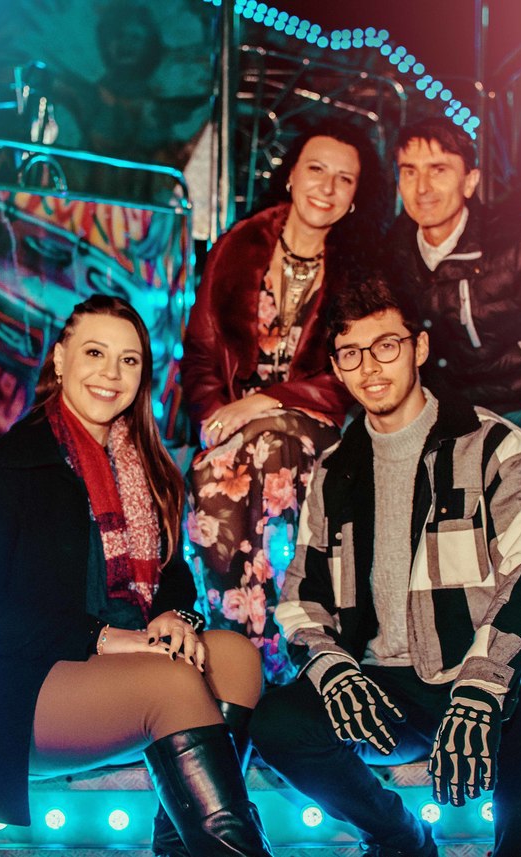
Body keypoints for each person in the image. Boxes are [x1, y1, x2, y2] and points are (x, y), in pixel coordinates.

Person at [0, 295, 273, 857]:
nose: (112, 374)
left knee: (237, 659)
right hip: (20, 686)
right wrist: (104, 638)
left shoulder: (148, 467)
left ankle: (180, 847)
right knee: (171, 680)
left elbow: (174, 577)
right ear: (60, 359)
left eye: (129, 360)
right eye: (95, 353)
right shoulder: (6, 464)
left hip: (123, 669)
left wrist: (174, 616)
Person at [250, 278, 521, 857]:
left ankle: (515, 850)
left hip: (475, 672)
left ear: (418, 348)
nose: (370, 366)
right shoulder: (335, 470)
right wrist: (333, 669)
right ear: (337, 367)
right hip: (383, 694)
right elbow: (302, 595)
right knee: (277, 722)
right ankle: (400, 838)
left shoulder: (493, 445)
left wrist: (482, 683)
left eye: (386, 346)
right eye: (351, 353)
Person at [383, 116, 521, 646]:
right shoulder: (390, 251)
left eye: (439, 169)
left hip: (517, 400)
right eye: (409, 171)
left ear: (470, 180)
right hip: (443, 411)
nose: (422, 187)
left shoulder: (517, 242)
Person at [180, 118, 390, 684]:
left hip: (313, 421)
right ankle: (235, 655)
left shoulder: (359, 269)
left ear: (354, 197)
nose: (327, 186)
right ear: (291, 176)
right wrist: (215, 417)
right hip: (232, 423)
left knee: (275, 448)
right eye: (316, 169)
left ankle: (280, 661)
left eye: (344, 179)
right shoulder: (239, 245)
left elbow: (352, 374)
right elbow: (200, 352)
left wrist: (264, 402)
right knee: (215, 475)